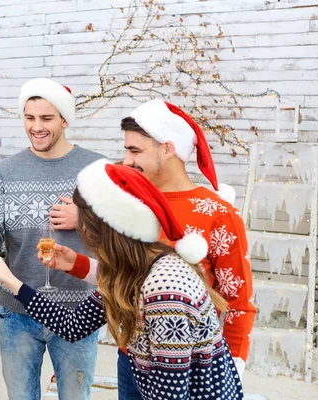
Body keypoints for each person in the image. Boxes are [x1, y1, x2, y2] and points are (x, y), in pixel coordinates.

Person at [0, 161, 245, 400]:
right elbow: (73, 325)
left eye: (82, 221)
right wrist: (12, 282)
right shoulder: (129, 270)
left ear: (103, 229)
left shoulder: (165, 290)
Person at [46, 100, 255, 396]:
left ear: (167, 149)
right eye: (126, 150)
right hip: (131, 357)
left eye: (135, 150)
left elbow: (239, 302)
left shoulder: (217, 213)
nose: (127, 160)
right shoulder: (128, 202)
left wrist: (231, 370)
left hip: (185, 367)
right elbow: (125, 273)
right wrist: (76, 263)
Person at [0, 78, 104, 399]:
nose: (36, 127)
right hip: (17, 312)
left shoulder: (98, 169)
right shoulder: (5, 171)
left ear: (65, 120)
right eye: (29, 118)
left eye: (46, 118)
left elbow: (121, 235)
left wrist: (85, 219)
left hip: (77, 312)